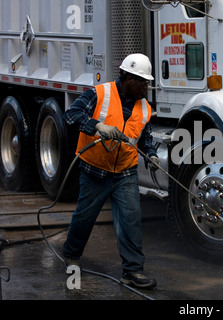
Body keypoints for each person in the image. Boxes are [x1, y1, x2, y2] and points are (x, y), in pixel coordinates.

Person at [62, 53, 161, 289]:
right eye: (142, 82)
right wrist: (97, 126)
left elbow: (144, 136)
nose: (145, 87)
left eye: (147, 82)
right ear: (127, 78)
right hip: (95, 169)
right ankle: (72, 257)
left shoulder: (145, 107)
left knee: (130, 220)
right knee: (85, 217)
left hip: (125, 172)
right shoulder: (99, 94)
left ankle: (133, 271)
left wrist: (152, 154)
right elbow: (71, 115)